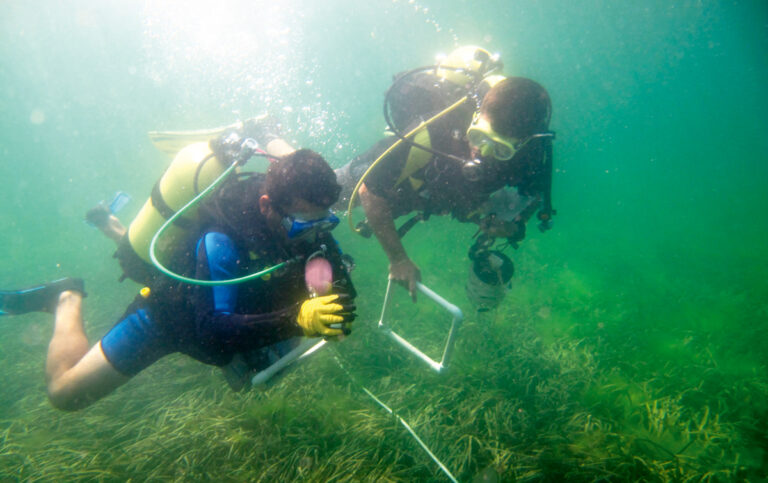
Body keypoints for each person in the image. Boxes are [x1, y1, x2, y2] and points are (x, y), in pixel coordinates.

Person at [0, 145, 356, 410]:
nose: (316, 234)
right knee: (65, 394)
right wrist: (295, 319)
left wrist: (334, 302)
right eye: (305, 225)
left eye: (325, 222)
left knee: (261, 375)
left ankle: (112, 227)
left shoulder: (307, 221)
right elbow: (212, 331)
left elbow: (342, 289)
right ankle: (65, 297)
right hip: (173, 316)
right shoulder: (221, 240)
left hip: (241, 299)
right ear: (266, 206)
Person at [335, 46, 555, 308]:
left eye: (500, 149)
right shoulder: (433, 128)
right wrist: (398, 259)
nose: (482, 154)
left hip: (445, 194)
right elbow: (369, 191)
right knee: (317, 193)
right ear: (477, 114)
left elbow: (533, 196)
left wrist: (512, 226)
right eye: (479, 137)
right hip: (406, 182)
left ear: (523, 143)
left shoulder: (533, 152)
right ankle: (272, 139)